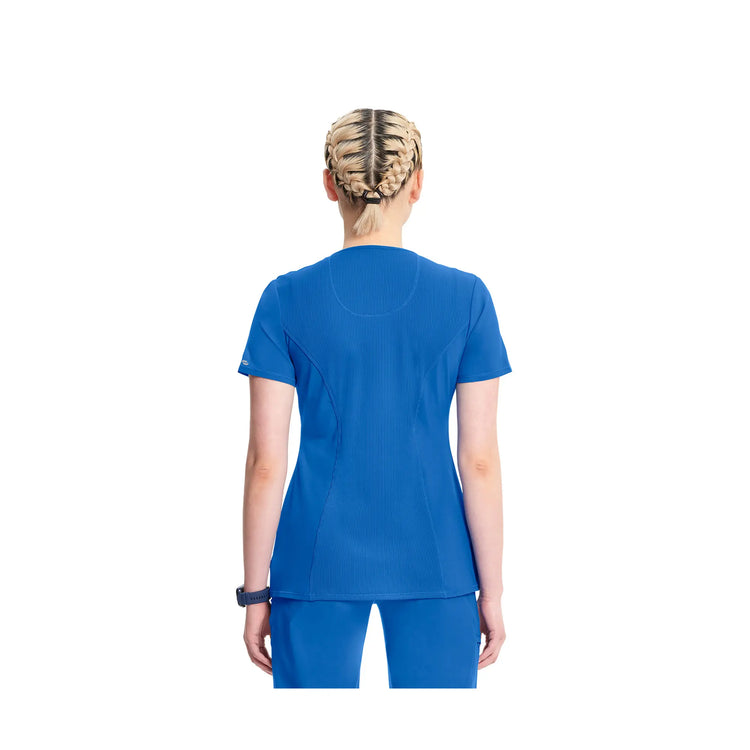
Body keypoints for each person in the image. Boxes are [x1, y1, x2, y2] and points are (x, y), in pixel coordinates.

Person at [236, 108, 511, 688]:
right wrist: (491, 590)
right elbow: (480, 461)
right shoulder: (467, 298)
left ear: (329, 184)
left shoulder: (284, 299)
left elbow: (265, 464)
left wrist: (255, 593)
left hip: (314, 560)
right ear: (417, 184)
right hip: (438, 560)